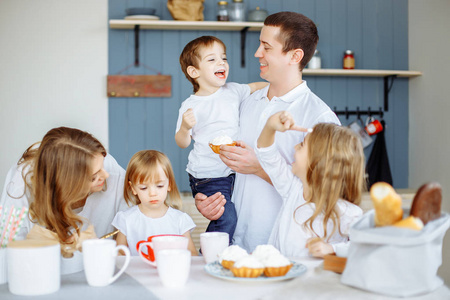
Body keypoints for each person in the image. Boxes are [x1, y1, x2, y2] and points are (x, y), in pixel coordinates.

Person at [194, 12, 341, 253]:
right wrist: (213, 200)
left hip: (283, 254)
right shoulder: (247, 103)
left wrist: (260, 169)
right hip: (234, 247)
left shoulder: (320, 119)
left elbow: (325, 198)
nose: (257, 53)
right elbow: (235, 173)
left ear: (295, 56)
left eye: (266, 47)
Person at [176, 35, 268, 244]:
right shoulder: (191, 105)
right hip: (208, 174)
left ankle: (228, 251)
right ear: (194, 72)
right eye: (212, 60)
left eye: (224, 58)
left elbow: (255, 86)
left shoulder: (233, 90)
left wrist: (278, 86)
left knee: (238, 214)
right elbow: (182, 142)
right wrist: (184, 127)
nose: (221, 63)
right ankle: (210, 253)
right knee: (226, 216)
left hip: (232, 171)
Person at [0, 127, 129, 266]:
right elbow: (6, 248)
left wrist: (96, 247)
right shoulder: (20, 186)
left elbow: (135, 232)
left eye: (102, 167)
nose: (105, 175)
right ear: (68, 185)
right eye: (93, 177)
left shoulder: (112, 172)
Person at [256, 111, 364, 257]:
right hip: (284, 276)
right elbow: (266, 153)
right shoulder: (292, 188)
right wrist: (270, 126)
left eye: (301, 145)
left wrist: (332, 249)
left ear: (319, 162)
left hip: (318, 280)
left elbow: (367, 246)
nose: (295, 147)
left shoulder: (347, 213)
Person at [112, 150, 197, 256]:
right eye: (143, 188)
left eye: (160, 186)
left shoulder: (180, 220)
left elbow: (192, 254)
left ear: (169, 184)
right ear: (133, 188)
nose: (152, 193)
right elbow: (119, 254)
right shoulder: (126, 219)